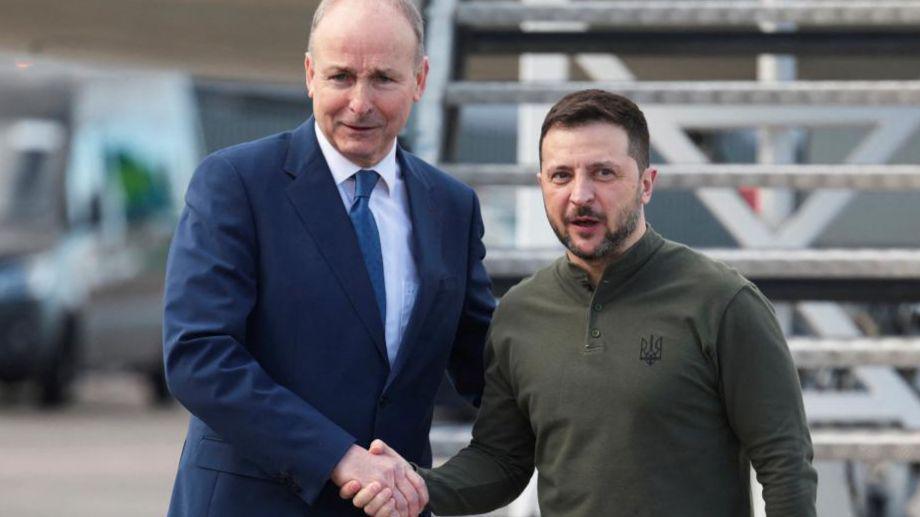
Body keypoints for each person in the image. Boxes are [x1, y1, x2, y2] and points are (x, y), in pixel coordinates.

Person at [345, 89, 818, 516]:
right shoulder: (519, 314)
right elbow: (502, 462)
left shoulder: (724, 303)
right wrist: (418, 486)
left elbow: (786, 466)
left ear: (647, 183)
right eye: (562, 175)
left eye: (603, 173)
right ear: (542, 185)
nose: (580, 195)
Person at [162, 0, 494, 515]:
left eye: (383, 78)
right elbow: (199, 356)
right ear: (310, 75)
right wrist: (338, 457)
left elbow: (483, 364)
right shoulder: (236, 183)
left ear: (421, 79)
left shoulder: (452, 206)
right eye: (341, 76)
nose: (360, 103)